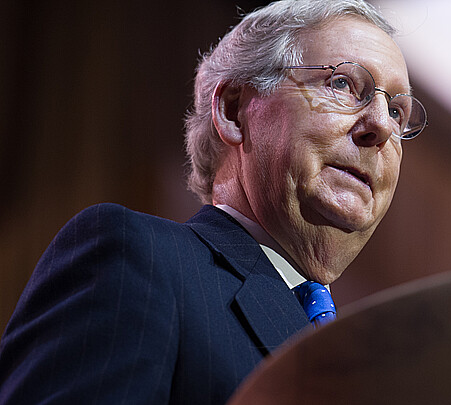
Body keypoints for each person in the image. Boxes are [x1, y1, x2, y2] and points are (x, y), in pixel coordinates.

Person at [0, 0, 427, 403]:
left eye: (398, 112)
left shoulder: (369, 364)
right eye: (344, 84)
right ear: (233, 109)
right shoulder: (139, 259)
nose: (381, 126)